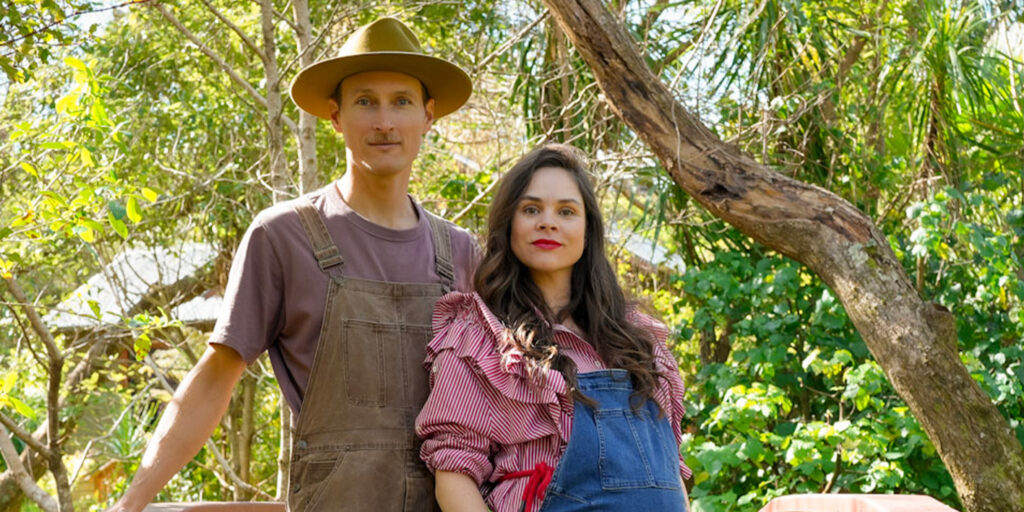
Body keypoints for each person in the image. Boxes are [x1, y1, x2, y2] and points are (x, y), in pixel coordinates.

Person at [111, 17, 477, 511]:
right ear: (335, 116)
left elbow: (498, 402)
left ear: (428, 116)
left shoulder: (458, 251)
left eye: (402, 102)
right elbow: (216, 377)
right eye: (365, 101)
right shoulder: (284, 236)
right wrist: (131, 504)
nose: (385, 121)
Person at [415, 143, 692, 512]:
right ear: (508, 224)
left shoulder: (641, 339)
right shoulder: (482, 338)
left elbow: (670, 471)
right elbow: (454, 473)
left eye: (566, 211)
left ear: (588, 229)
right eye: (531, 209)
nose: (549, 222)